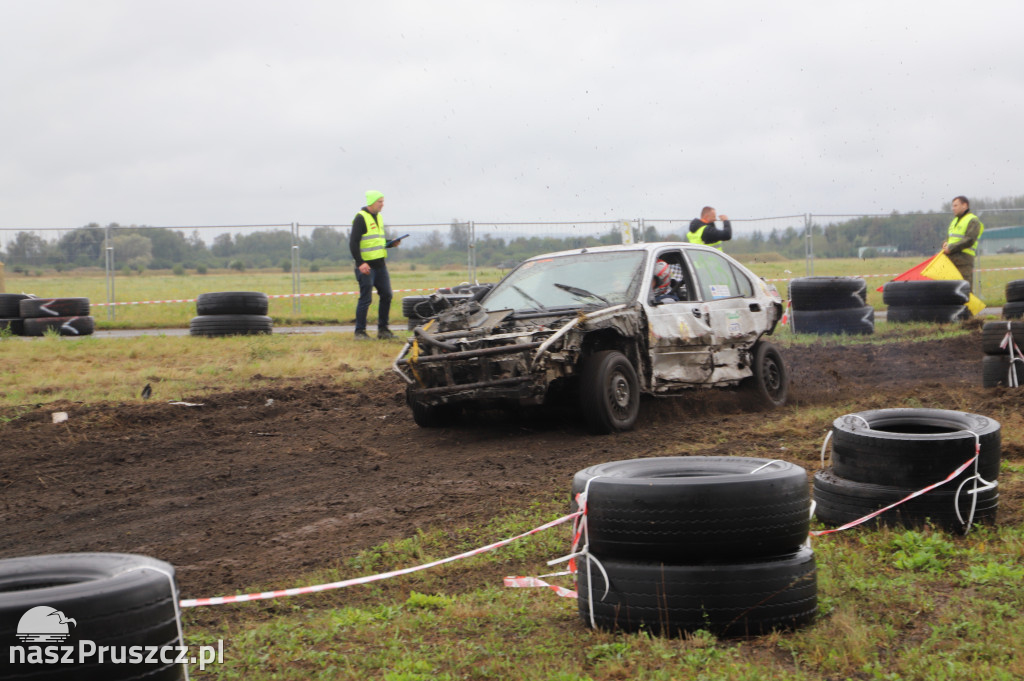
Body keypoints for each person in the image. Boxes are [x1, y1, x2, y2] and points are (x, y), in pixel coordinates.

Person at [349, 190, 402, 339]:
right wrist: (360, 263)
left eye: (383, 201)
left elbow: (376, 242)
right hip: (366, 267)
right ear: (372, 202)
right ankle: (359, 332)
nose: (382, 204)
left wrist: (390, 243)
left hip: (380, 266)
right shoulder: (361, 218)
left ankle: (383, 330)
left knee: (387, 295)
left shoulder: (378, 217)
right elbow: (353, 243)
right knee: (366, 299)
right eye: (380, 202)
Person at [942, 195, 984, 291]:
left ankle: (969, 307)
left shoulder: (973, 220)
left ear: (964, 206)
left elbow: (969, 240)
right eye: (952, 206)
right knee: (951, 290)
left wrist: (951, 248)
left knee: (964, 290)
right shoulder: (954, 221)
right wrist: (944, 243)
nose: (953, 208)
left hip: (963, 261)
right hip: (951, 260)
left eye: (956, 205)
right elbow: (949, 238)